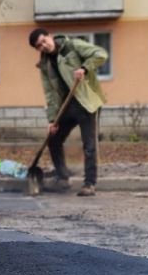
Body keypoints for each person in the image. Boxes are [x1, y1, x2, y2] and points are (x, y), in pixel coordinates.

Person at [28, 28, 107, 196]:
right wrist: (51, 120)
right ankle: (63, 178)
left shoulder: (71, 45)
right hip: (66, 105)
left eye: (44, 41)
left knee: (89, 144)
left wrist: (84, 68)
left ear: (50, 36)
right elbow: (50, 93)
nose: (44, 46)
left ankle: (89, 184)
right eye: (39, 46)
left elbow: (100, 54)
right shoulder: (45, 66)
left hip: (86, 101)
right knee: (53, 139)